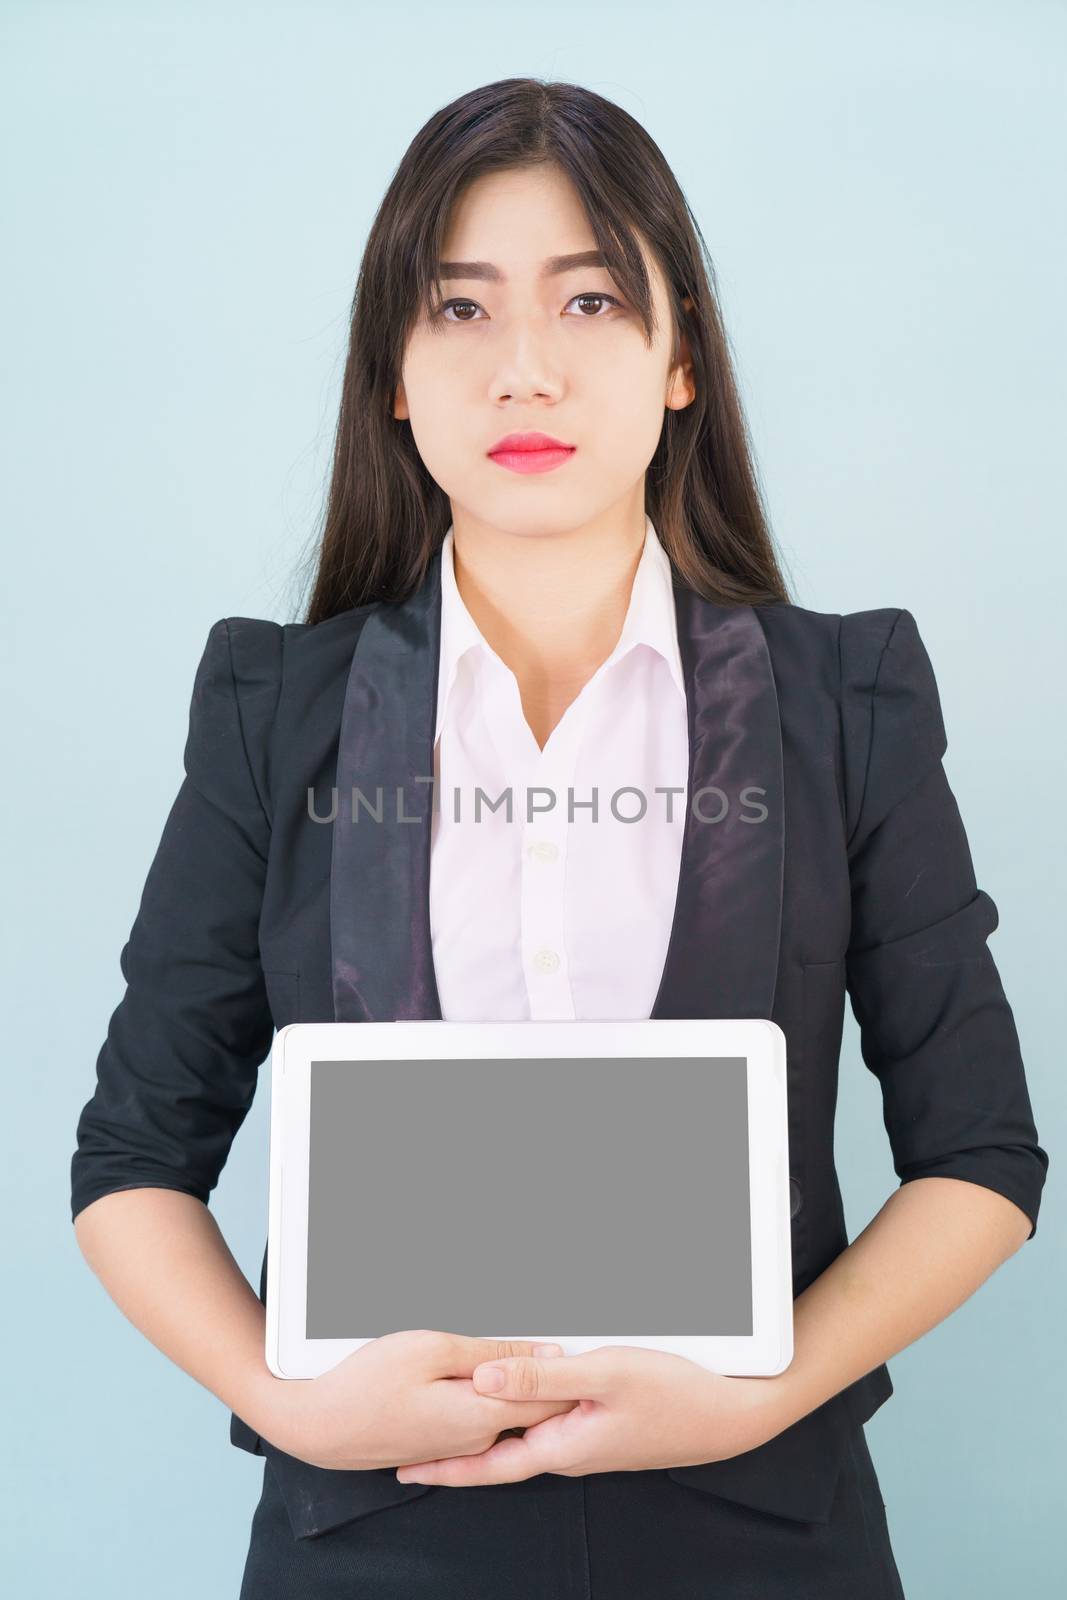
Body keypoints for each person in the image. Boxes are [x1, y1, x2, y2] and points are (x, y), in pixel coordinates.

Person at [70, 78, 1048, 1599]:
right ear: (393, 376)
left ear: (679, 363)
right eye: (458, 313)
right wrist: (290, 1402)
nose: (523, 370)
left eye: (590, 301)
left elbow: (981, 1156)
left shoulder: (841, 698)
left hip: (761, 1534)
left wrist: (758, 1396)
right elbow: (133, 1156)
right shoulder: (279, 712)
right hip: (374, 1534)